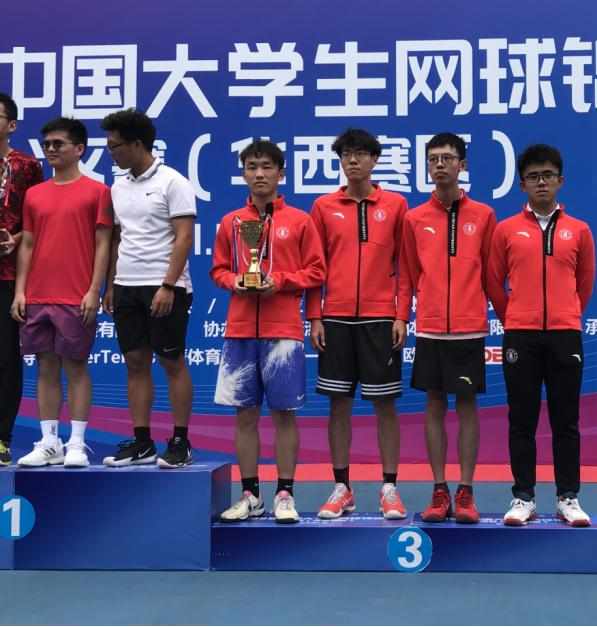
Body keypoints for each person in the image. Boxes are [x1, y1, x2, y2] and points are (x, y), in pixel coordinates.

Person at [211, 140, 326, 523]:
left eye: (266, 167)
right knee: (245, 415)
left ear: (281, 173)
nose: (259, 174)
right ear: (243, 173)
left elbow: (317, 271)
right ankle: (250, 495)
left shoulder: (300, 221)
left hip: (284, 331)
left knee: (284, 415)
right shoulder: (231, 221)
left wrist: (280, 281)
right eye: (251, 167)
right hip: (240, 329)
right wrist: (234, 282)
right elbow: (218, 269)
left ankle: (285, 494)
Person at [486, 144, 596, 527]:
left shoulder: (579, 230)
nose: (541, 182)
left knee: (566, 420)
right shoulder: (506, 230)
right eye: (533, 177)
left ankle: (568, 497)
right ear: (522, 185)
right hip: (521, 337)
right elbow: (493, 281)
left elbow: (584, 282)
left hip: (565, 335)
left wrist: (567, 313)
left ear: (560, 181)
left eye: (548, 175)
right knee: (522, 419)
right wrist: (515, 317)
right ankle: (523, 497)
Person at [306, 128, 409, 520]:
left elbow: (406, 268)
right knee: (339, 405)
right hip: (335, 319)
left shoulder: (396, 205)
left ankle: (389, 488)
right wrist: (315, 316)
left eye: (360, 154)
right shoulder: (323, 207)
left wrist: (402, 315)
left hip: (381, 319)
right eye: (346, 154)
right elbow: (315, 268)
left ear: (374, 159)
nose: (352, 160)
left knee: (385, 405)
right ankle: (342, 487)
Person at [398, 132, 496, 523]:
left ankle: (466, 491)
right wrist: (402, 317)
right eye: (433, 159)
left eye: (448, 158)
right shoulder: (414, 218)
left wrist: (508, 319)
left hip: (470, 328)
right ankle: (439, 490)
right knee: (434, 404)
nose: (440, 165)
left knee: (467, 406)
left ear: (462, 165)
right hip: (431, 328)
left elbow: (491, 274)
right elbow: (408, 275)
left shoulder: (484, 216)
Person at [12, 117, 112, 468]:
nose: (51, 149)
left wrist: (94, 290)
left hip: (76, 295)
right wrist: (20, 291)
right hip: (38, 295)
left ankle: (77, 443)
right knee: (45, 368)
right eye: (47, 144)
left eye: (59, 144)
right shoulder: (35, 194)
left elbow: (103, 244)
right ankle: (50, 441)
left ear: (79, 149)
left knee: (77, 367)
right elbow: (27, 243)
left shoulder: (97, 191)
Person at [100, 108, 196, 468]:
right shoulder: (118, 186)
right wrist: (111, 285)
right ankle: (142, 442)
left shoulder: (173, 182)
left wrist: (168, 285)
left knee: (171, 361)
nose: (111, 152)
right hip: (126, 285)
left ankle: (181, 442)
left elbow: (184, 238)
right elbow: (119, 238)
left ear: (136, 144)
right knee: (135, 362)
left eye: (115, 146)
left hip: (164, 285)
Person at [0, 92, 44, 466]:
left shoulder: (28, 166)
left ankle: (1, 438)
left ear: (11, 125)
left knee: (5, 357)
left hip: (9, 274)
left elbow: (38, 220)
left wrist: (14, 240)